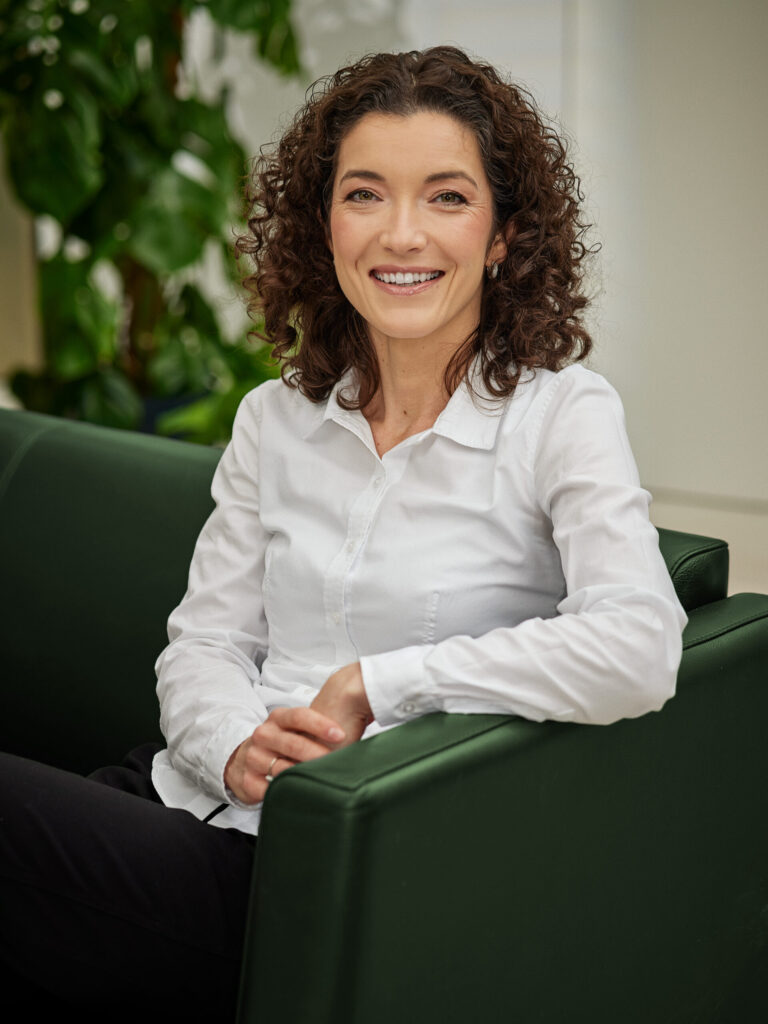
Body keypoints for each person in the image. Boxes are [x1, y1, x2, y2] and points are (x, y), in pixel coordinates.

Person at [0, 45, 687, 1020]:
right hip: (180, 792)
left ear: (504, 235)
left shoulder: (561, 416)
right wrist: (233, 744)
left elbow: (639, 647)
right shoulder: (274, 420)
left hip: (312, 869)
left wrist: (380, 682)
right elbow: (204, 642)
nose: (402, 233)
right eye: (365, 194)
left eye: (447, 197)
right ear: (323, 224)